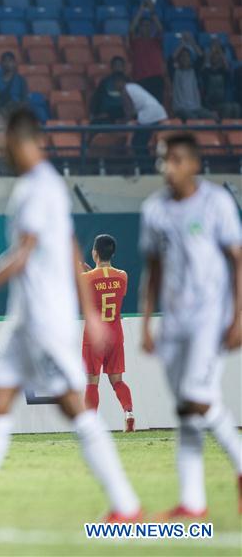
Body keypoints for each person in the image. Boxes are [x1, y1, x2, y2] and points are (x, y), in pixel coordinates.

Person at [0, 106, 141, 527]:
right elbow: (71, 245)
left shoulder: (36, 189)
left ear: (20, 139)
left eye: (2, 138)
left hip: (44, 320)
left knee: (73, 406)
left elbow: (25, 254)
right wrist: (91, 313)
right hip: (25, 318)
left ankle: (126, 503)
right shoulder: (44, 185)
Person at [139, 133, 242, 519]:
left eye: (177, 159)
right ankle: (193, 501)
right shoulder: (154, 210)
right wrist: (146, 323)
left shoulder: (216, 202)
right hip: (174, 320)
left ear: (195, 163)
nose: (169, 167)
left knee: (195, 396)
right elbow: (153, 269)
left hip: (210, 318)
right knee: (186, 408)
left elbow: (237, 259)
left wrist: (239, 315)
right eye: (164, 160)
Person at [80, 234, 134, 431]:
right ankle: (129, 412)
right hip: (115, 334)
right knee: (117, 380)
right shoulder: (122, 275)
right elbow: (109, 287)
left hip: (94, 336)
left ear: (94, 253)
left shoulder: (86, 278)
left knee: (92, 382)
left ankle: (90, 424)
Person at [113, 73, 167, 156]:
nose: (114, 85)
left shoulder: (125, 90)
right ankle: (146, 165)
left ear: (121, 82)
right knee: (144, 143)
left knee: (138, 143)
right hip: (159, 113)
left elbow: (130, 113)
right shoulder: (133, 86)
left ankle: (144, 167)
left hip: (149, 115)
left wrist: (121, 122)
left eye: (115, 82)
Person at [129, 0, 166, 104]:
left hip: (156, 79)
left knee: (157, 106)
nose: (147, 27)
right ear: (140, 28)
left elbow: (160, 30)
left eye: (149, 25)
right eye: (144, 25)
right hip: (140, 79)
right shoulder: (136, 42)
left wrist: (152, 11)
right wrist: (141, 10)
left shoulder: (157, 41)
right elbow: (131, 30)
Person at [171, 44, 215, 121]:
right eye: (182, 56)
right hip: (180, 108)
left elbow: (201, 56)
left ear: (190, 58)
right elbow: (170, 59)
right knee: (194, 119)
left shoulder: (194, 71)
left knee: (213, 117)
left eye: (187, 56)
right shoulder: (174, 72)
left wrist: (191, 42)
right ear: (179, 59)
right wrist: (182, 44)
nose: (185, 58)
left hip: (196, 107)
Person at [200, 44, 241, 120]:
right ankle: (223, 129)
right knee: (228, 108)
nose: (215, 57)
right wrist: (211, 52)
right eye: (213, 56)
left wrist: (219, 51)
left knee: (236, 107)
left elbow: (227, 68)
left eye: (217, 56)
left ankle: (236, 129)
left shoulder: (222, 71)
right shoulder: (206, 71)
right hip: (209, 104)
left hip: (221, 102)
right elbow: (204, 66)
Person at [90, 57, 128, 124]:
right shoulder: (105, 82)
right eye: (116, 65)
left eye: (120, 65)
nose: (118, 67)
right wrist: (93, 114)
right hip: (107, 117)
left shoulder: (130, 82)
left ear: (124, 67)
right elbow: (96, 99)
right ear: (112, 67)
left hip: (124, 116)